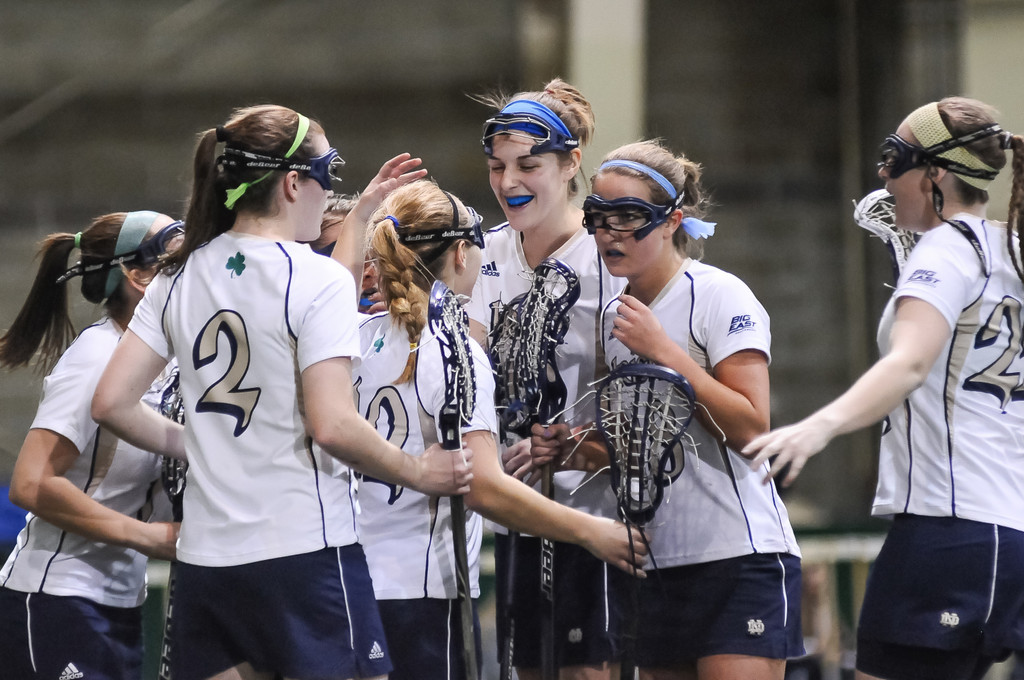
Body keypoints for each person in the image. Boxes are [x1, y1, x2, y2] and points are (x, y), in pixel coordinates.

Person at [90, 104, 473, 680]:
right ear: (294, 183)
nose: (329, 197)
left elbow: (112, 404)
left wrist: (200, 443)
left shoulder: (178, 274)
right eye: (329, 177)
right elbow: (334, 425)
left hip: (206, 563)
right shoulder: (312, 277)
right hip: (302, 557)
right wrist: (419, 472)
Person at [743, 98, 1024, 680]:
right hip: (1009, 530)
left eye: (894, 159)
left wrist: (818, 425)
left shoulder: (950, 247)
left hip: (948, 526)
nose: (882, 175)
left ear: (935, 173)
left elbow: (909, 364)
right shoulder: (1009, 247)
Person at [354, 179, 646, 680]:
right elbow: (484, 488)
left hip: (350, 584)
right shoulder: (454, 348)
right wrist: (594, 532)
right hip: (423, 591)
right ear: (462, 255)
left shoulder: (356, 337)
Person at [534, 140, 804, 679]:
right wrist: (569, 447)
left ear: (671, 220)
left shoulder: (719, 294)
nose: (609, 231)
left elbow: (753, 428)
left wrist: (666, 353)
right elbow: (638, 442)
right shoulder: (617, 315)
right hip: (655, 560)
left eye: (628, 216)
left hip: (737, 556)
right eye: (598, 216)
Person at [466, 78, 627, 680]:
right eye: (496, 167)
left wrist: (584, 443)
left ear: (570, 164)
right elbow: (466, 366)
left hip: (599, 509)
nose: (509, 183)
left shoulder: (607, 257)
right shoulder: (483, 256)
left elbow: (639, 389)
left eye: (528, 165)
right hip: (517, 507)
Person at [0, 211, 183, 679]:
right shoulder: (97, 356)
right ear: (138, 275)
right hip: (58, 596)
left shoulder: (167, 361)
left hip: (120, 598)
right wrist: (150, 537)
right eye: (176, 250)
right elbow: (31, 483)